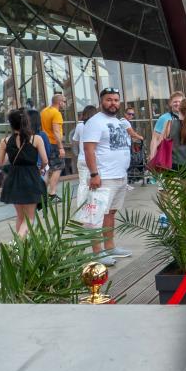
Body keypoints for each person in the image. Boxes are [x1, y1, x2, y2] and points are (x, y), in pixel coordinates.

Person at [81, 88, 133, 265]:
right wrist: (94, 174)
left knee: (110, 212)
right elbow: (89, 149)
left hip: (120, 176)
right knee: (96, 215)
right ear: (101, 102)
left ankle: (110, 247)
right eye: (109, 100)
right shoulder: (95, 122)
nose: (113, 103)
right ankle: (98, 253)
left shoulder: (118, 121)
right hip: (104, 177)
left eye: (116, 100)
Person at [0, 108, 49, 236]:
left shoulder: (4, 141)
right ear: (26, 122)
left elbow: (0, 163)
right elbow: (45, 160)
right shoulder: (35, 139)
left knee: (20, 217)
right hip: (31, 177)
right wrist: (41, 168)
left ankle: (20, 252)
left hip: (13, 179)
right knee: (29, 219)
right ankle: (16, 246)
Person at [39, 93, 67, 202]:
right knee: (58, 168)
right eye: (64, 101)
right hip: (54, 144)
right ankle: (52, 194)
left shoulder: (44, 111)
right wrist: (60, 147)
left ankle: (42, 194)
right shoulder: (56, 113)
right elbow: (56, 131)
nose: (65, 104)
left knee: (48, 169)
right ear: (59, 102)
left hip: (45, 143)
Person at [150, 91, 185, 159]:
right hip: (168, 158)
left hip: (185, 158)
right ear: (170, 103)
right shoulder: (164, 118)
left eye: (180, 102)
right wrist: (152, 156)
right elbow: (155, 138)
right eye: (175, 102)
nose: (177, 104)